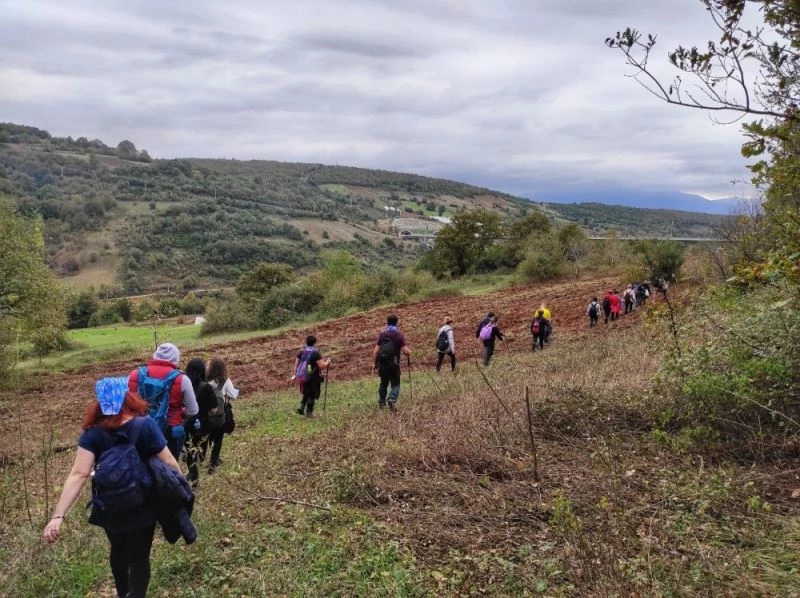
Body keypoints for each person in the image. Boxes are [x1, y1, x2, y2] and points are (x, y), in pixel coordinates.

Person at [43, 382, 182, 598]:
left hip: (109, 507)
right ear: (128, 398)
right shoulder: (145, 425)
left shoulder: (93, 434)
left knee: (118, 549)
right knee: (140, 557)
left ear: (100, 401)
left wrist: (58, 516)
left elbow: (79, 474)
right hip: (143, 505)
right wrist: (181, 492)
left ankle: (122, 593)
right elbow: (169, 461)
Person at [128, 343, 198, 459]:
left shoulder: (135, 374)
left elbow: (128, 403)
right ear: (176, 358)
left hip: (140, 428)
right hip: (170, 430)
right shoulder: (182, 379)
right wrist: (182, 413)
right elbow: (193, 410)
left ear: (155, 355)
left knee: (141, 463)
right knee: (168, 468)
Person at [183, 358, 216, 487]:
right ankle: (194, 471)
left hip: (187, 423)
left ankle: (193, 473)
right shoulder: (206, 387)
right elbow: (213, 409)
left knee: (190, 449)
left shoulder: (183, 385)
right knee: (200, 451)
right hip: (204, 425)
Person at [372, 314, 411, 411]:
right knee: (396, 384)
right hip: (394, 365)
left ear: (387, 322)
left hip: (383, 364)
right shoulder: (399, 335)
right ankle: (392, 399)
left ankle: (381, 402)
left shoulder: (382, 334)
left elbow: (376, 351)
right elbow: (405, 351)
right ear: (396, 323)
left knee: (383, 383)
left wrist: (374, 363)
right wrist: (409, 352)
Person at [205, 357, 238, 472]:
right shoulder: (225, 380)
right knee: (218, 439)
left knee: (206, 437)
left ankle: (200, 459)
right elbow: (233, 395)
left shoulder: (204, 380)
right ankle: (213, 462)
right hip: (220, 413)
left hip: (205, 413)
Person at [292, 335, 331, 417]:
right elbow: (321, 366)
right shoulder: (316, 353)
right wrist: (327, 362)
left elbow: (296, 364)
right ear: (315, 343)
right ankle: (309, 413)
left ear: (306, 342)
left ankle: (301, 407)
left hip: (302, 376)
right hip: (313, 376)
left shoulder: (301, 352)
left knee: (306, 391)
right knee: (312, 393)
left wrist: (295, 374)